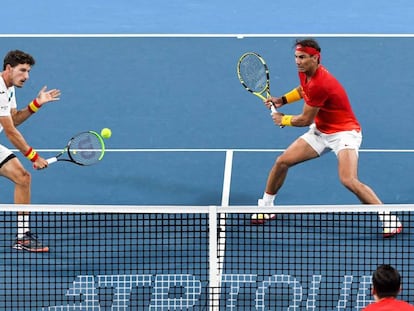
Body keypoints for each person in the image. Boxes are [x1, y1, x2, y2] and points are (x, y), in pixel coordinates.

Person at [252, 38, 402, 238]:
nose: (298, 61)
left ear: (315, 58)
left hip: (344, 133)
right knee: (282, 162)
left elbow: (305, 119)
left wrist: (284, 119)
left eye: (303, 57)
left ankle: (389, 218)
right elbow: (302, 90)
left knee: (348, 180)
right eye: (296, 57)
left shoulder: (321, 83)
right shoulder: (306, 73)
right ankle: (266, 206)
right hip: (321, 131)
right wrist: (282, 100)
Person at [0, 50, 61, 252]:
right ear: (9, 69)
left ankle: (22, 237)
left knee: (23, 177)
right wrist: (34, 156)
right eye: (22, 70)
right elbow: (10, 131)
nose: (27, 76)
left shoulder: (9, 89)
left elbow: (14, 119)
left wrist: (36, 104)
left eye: (28, 71)